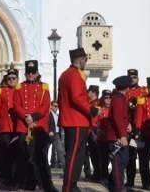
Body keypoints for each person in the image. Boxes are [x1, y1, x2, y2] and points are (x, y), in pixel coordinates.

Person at [12, 59, 55, 192]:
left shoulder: (44, 87)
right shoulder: (19, 87)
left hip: (38, 126)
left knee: (39, 158)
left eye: (33, 72)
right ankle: (24, 183)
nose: (30, 74)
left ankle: (44, 184)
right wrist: (26, 117)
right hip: (23, 126)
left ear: (37, 73)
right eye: (28, 72)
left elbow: (45, 106)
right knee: (23, 157)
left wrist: (33, 117)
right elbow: (16, 105)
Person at [59, 47, 95, 192]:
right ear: (80, 60)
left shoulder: (64, 74)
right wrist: (91, 109)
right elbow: (76, 97)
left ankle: (71, 185)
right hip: (77, 120)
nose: (86, 62)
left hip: (71, 120)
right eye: (85, 59)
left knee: (74, 155)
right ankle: (68, 187)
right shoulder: (74, 75)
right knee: (75, 156)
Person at [103, 76, 132, 192]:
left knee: (123, 160)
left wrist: (128, 125)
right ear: (127, 87)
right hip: (116, 137)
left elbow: (122, 118)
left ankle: (111, 184)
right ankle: (118, 188)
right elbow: (118, 118)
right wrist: (122, 135)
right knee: (118, 164)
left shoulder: (119, 98)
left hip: (118, 135)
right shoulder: (119, 99)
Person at [0, 69, 22, 188]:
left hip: (17, 127)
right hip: (4, 127)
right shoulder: (1, 92)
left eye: (13, 78)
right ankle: (5, 177)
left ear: (17, 79)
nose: (11, 81)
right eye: (9, 79)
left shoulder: (21, 91)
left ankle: (15, 178)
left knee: (16, 154)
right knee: (5, 154)